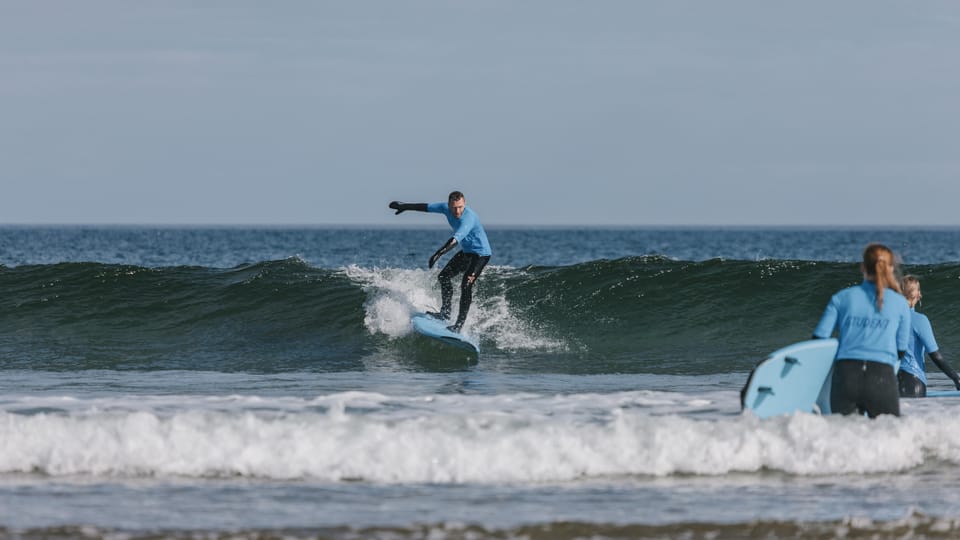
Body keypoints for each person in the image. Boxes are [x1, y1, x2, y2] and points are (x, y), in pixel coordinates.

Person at [812, 243, 911, 417]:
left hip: (846, 377)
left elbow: (819, 339)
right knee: (887, 436)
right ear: (890, 268)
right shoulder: (900, 303)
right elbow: (901, 350)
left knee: (846, 437)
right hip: (882, 377)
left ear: (863, 267)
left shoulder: (842, 297)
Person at [388, 191, 492, 333]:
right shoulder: (445, 208)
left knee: (466, 285)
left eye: (460, 207)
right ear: (449, 205)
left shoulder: (468, 218)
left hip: (481, 255)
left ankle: (458, 326)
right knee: (444, 277)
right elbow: (425, 207)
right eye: (454, 207)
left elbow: (455, 240)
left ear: (464, 203)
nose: (457, 211)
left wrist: (438, 253)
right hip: (467, 252)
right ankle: (445, 313)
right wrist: (404, 206)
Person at [897, 275, 960, 397]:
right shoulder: (920, 320)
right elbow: (935, 356)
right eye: (918, 290)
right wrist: (956, 378)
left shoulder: (890, 318)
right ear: (916, 295)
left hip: (891, 382)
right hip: (913, 381)